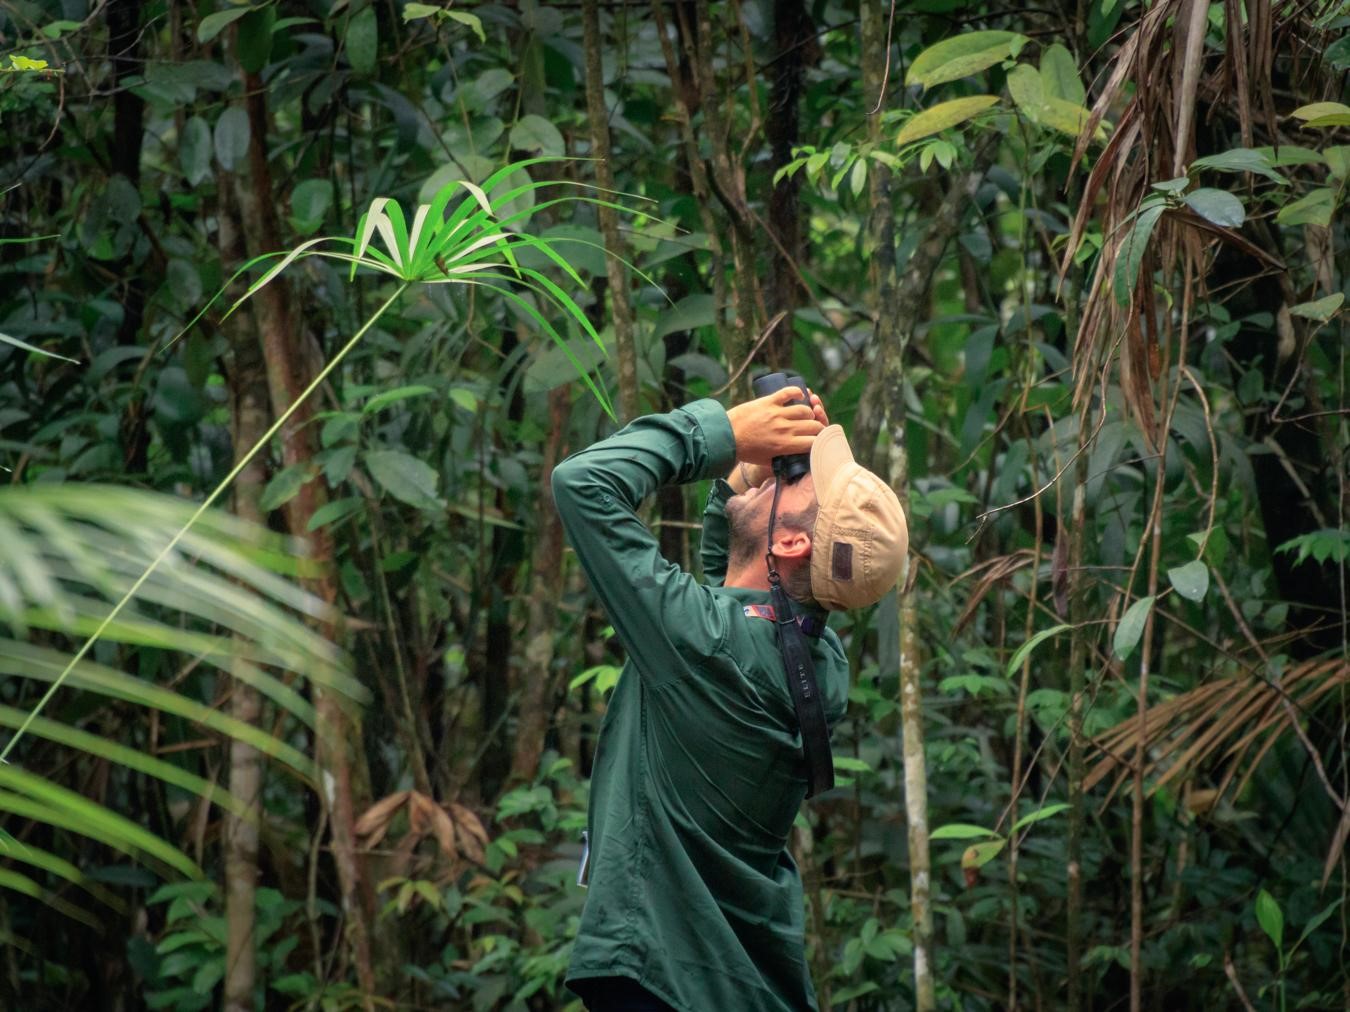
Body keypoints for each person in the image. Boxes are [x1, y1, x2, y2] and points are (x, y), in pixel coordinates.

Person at [551, 386, 908, 1012]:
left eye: (801, 482)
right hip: (746, 987)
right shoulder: (822, 667)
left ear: (794, 544)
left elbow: (582, 484)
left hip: (662, 976)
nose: (786, 473)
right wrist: (751, 472)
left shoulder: (708, 645)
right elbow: (736, 580)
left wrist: (722, 433)